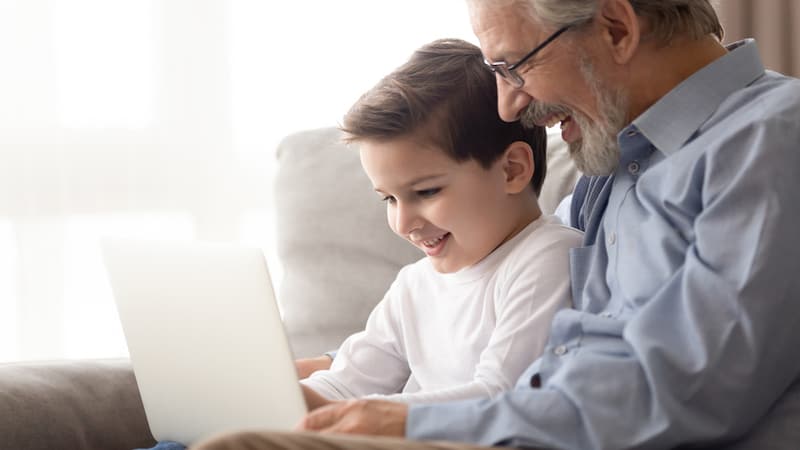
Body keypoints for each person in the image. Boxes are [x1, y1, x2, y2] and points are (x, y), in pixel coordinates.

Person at [191, 0, 800, 448]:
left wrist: (411, 420)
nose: (510, 106)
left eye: (514, 67)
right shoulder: (612, 161)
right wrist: (316, 369)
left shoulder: (771, 141)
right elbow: (491, 288)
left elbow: (686, 391)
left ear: (616, 28)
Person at [144, 38, 582, 450]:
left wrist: (342, 412)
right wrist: (284, 398)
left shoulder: (548, 257)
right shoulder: (415, 284)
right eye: (389, 199)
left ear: (511, 170)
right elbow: (347, 380)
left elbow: (499, 395)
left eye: (426, 192)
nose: (404, 222)